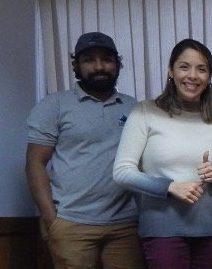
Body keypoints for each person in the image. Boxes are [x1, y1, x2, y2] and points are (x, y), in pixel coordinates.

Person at [113, 39, 212, 269]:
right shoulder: (145, 112)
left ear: (210, 76)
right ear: (170, 71)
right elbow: (122, 172)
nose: (192, 75)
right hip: (162, 231)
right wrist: (169, 187)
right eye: (184, 67)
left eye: (201, 69)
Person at [25, 31, 144, 269]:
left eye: (107, 59)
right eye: (89, 59)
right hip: (71, 223)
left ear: (118, 64)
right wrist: (52, 219)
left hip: (125, 226)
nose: (99, 66)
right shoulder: (54, 105)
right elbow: (34, 164)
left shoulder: (135, 108)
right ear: (76, 66)